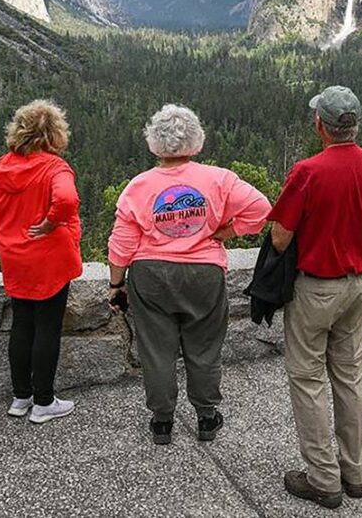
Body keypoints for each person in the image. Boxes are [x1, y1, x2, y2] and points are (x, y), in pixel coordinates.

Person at [107, 104, 271, 445]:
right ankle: (207, 417)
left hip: (151, 275)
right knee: (204, 348)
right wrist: (225, 233)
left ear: (154, 143)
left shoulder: (138, 186)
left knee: (156, 351)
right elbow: (261, 210)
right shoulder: (219, 179)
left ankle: (162, 421)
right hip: (204, 273)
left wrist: (116, 284)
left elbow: (121, 244)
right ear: (197, 141)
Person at [268, 86, 362, 509]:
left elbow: (280, 237)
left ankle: (323, 479)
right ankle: (355, 473)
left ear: (321, 125)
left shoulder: (307, 172)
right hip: (360, 283)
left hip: (317, 287)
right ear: (355, 124)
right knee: (350, 376)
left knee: (307, 378)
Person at [0, 100, 83, 424]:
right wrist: (51, 222)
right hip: (49, 259)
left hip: (15, 256)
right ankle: (44, 402)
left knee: (22, 325)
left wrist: (1, 249)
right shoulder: (55, 168)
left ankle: (21, 397)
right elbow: (67, 199)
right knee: (47, 328)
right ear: (55, 132)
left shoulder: (3, 167)